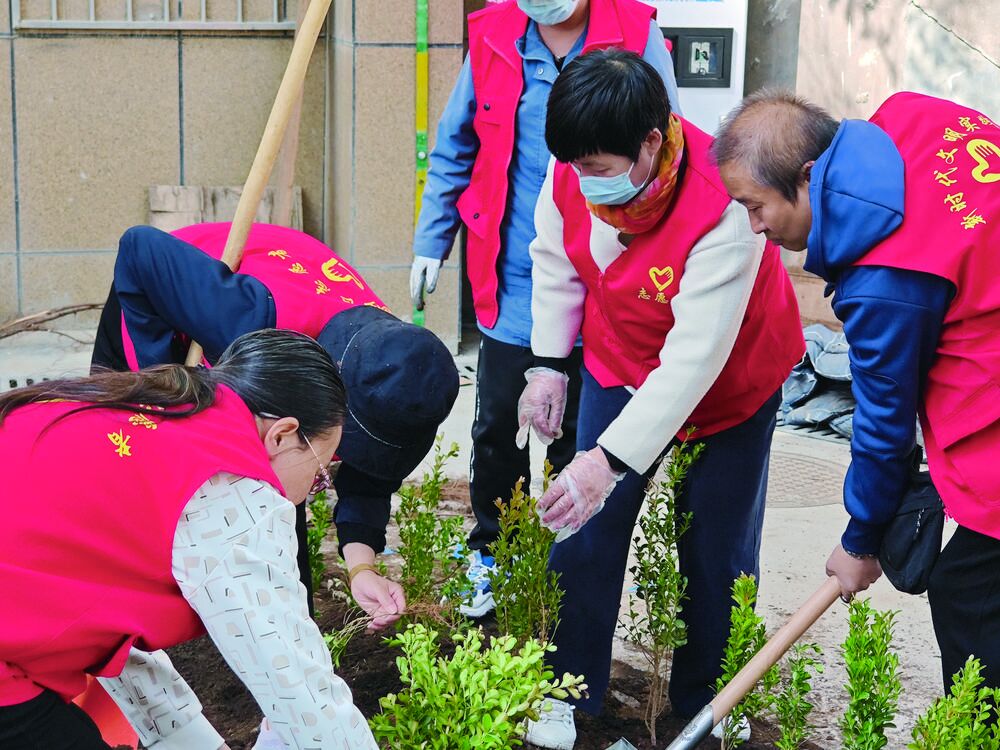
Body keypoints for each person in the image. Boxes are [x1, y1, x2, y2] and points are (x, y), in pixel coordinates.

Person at [515, 49, 804, 748]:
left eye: (599, 170)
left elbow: (694, 360)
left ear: (651, 142)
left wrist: (606, 460)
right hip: (623, 356)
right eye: (574, 167)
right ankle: (568, 685)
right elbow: (554, 263)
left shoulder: (723, 201)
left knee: (716, 544)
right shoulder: (573, 170)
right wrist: (550, 365)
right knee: (584, 525)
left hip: (732, 378)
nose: (582, 183)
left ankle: (707, 699)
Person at [713, 89, 1000, 691]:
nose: (753, 225)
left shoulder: (886, 284)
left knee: (970, 599)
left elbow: (882, 424)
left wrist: (860, 539)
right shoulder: (910, 117)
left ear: (808, 176)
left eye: (755, 205)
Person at [409, 0, 682, 618]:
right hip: (514, 273)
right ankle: (493, 552)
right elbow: (455, 146)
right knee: (500, 422)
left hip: (607, 267)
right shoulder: (494, 34)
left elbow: (671, 148)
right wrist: (432, 239)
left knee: (582, 434)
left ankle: (572, 565)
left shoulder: (634, 30)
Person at [0, 329, 380, 750]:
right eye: (320, 473)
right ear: (282, 435)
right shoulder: (232, 490)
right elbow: (296, 685)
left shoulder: (166, 407)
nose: (312, 489)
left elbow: (113, 632)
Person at [91, 222, 460, 627]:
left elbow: (371, 469)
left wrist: (362, 567)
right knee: (133, 473)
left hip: (281, 343)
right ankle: (122, 618)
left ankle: (284, 625)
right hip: (168, 296)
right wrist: (169, 386)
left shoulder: (396, 365)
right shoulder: (248, 319)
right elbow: (139, 248)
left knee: (289, 472)